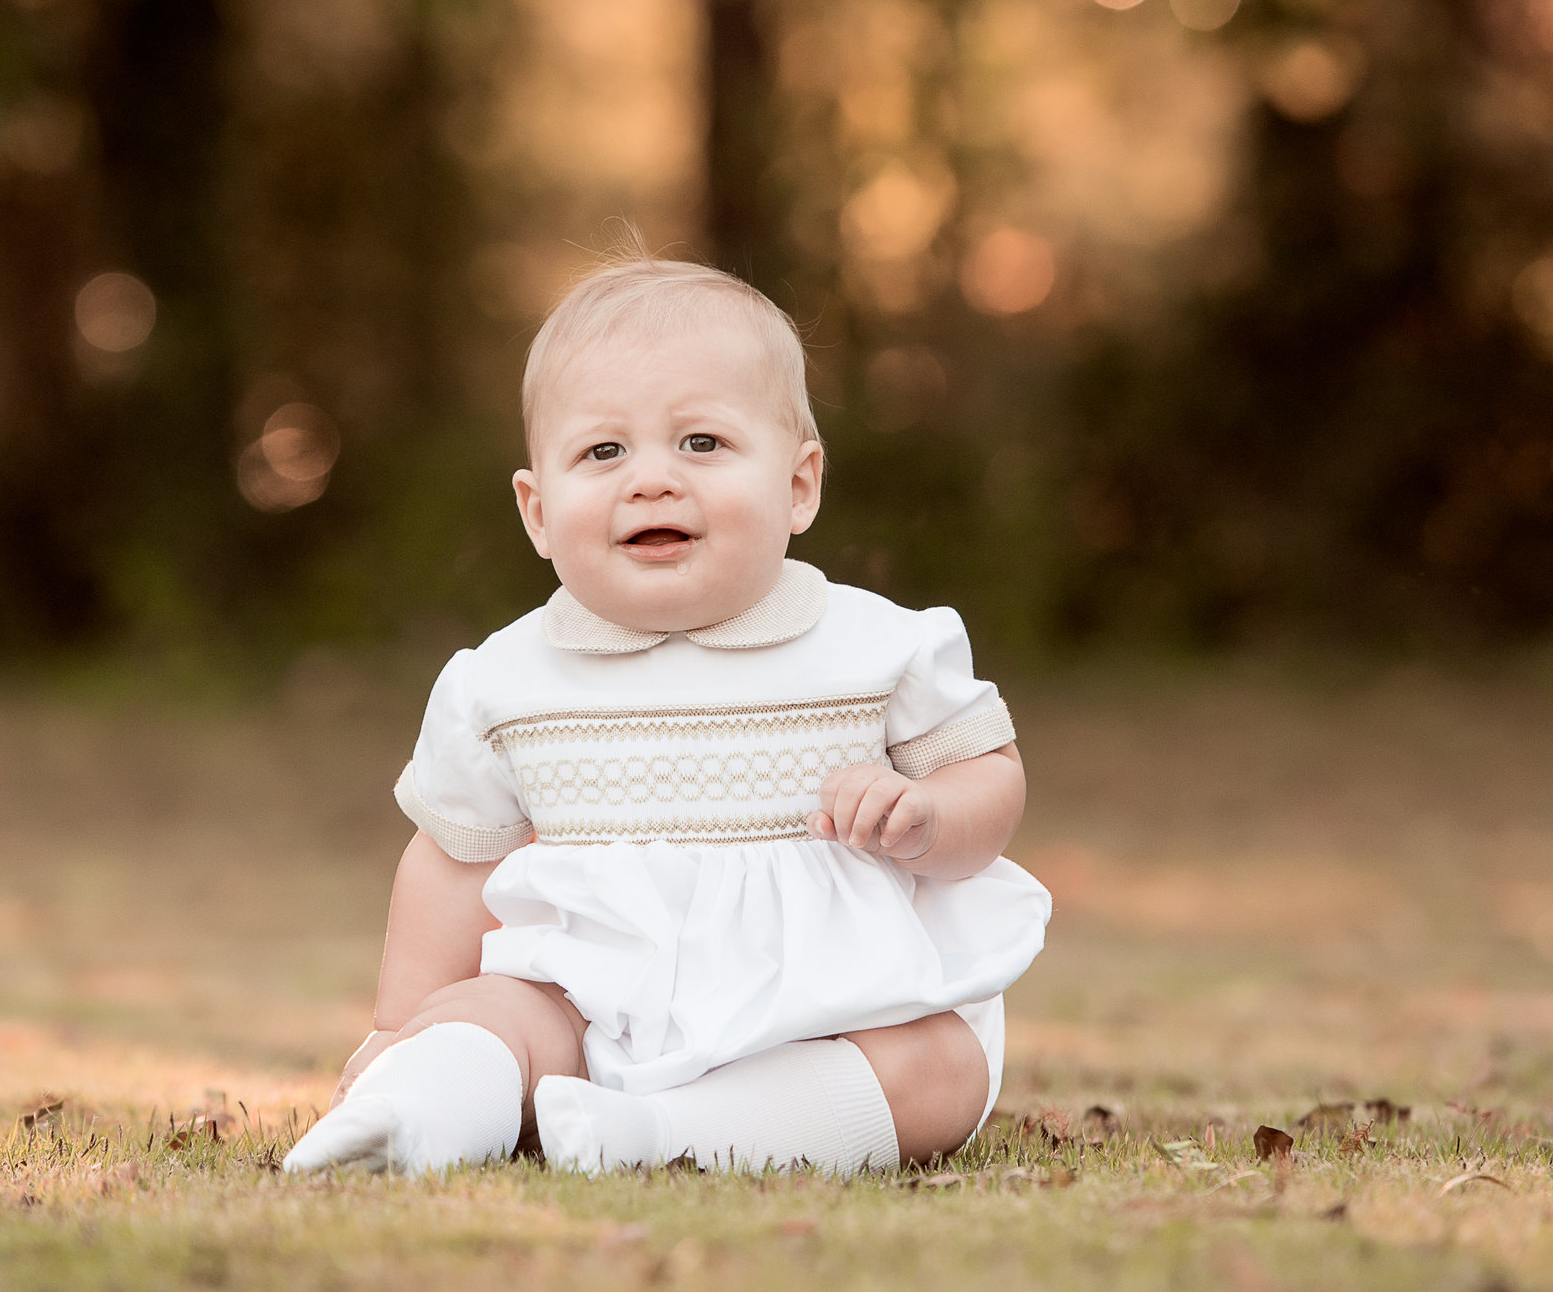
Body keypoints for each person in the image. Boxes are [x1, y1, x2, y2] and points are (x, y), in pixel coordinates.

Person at [282, 256, 1051, 1177]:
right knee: (487, 1017)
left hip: (826, 1010)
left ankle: (661, 1136)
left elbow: (990, 774)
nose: (651, 480)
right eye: (604, 452)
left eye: (701, 443)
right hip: (586, 1005)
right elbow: (454, 864)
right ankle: (417, 1110)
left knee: (941, 1072)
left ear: (799, 485)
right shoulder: (504, 682)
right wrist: (399, 1024)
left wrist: (928, 817)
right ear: (537, 511)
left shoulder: (876, 647)